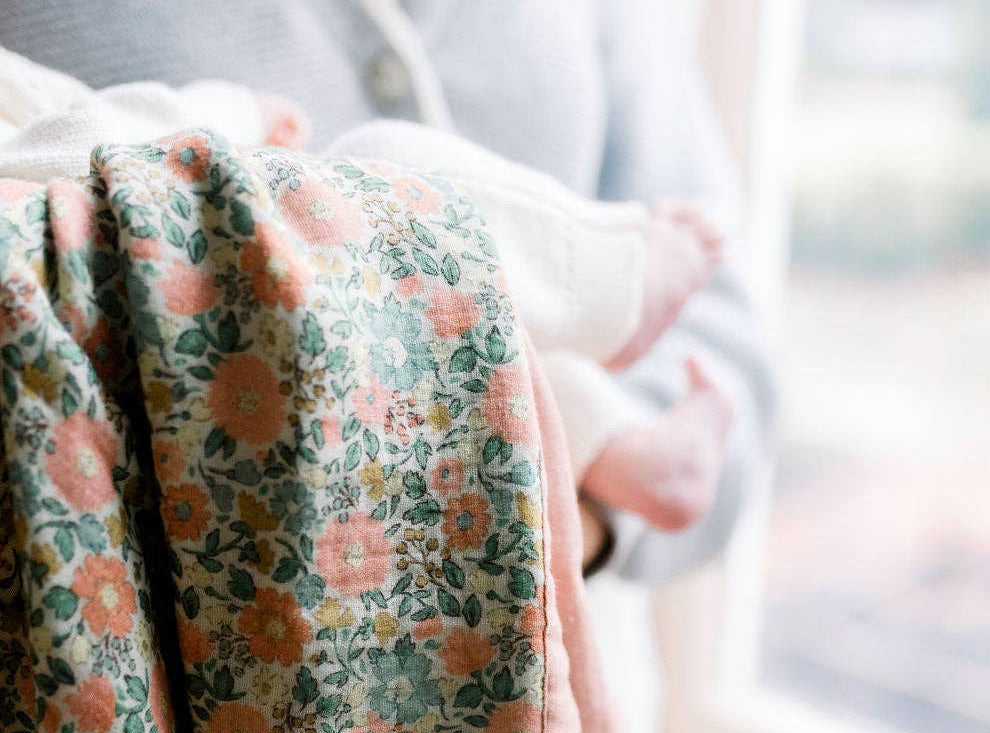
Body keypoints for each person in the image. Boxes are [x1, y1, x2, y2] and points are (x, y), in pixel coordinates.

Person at [0, 0, 775, 582]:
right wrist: (234, 114)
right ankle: (616, 296)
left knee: (480, 324)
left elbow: (724, 332)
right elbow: (64, 155)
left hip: (555, 655)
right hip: (231, 449)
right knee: (384, 178)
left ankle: (628, 429)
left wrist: (580, 529)